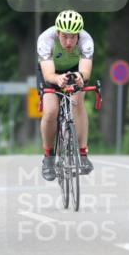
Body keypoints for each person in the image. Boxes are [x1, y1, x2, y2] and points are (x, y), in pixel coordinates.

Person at [37, 9, 94, 181]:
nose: (69, 42)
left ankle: (83, 154)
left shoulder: (86, 40)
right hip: (51, 71)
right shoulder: (46, 39)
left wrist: (80, 76)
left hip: (75, 71)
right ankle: (48, 156)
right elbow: (48, 75)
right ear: (58, 32)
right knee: (51, 111)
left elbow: (86, 70)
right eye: (64, 36)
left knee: (77, 102)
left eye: (73, 37)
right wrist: (57, 79)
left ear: (78, 35)